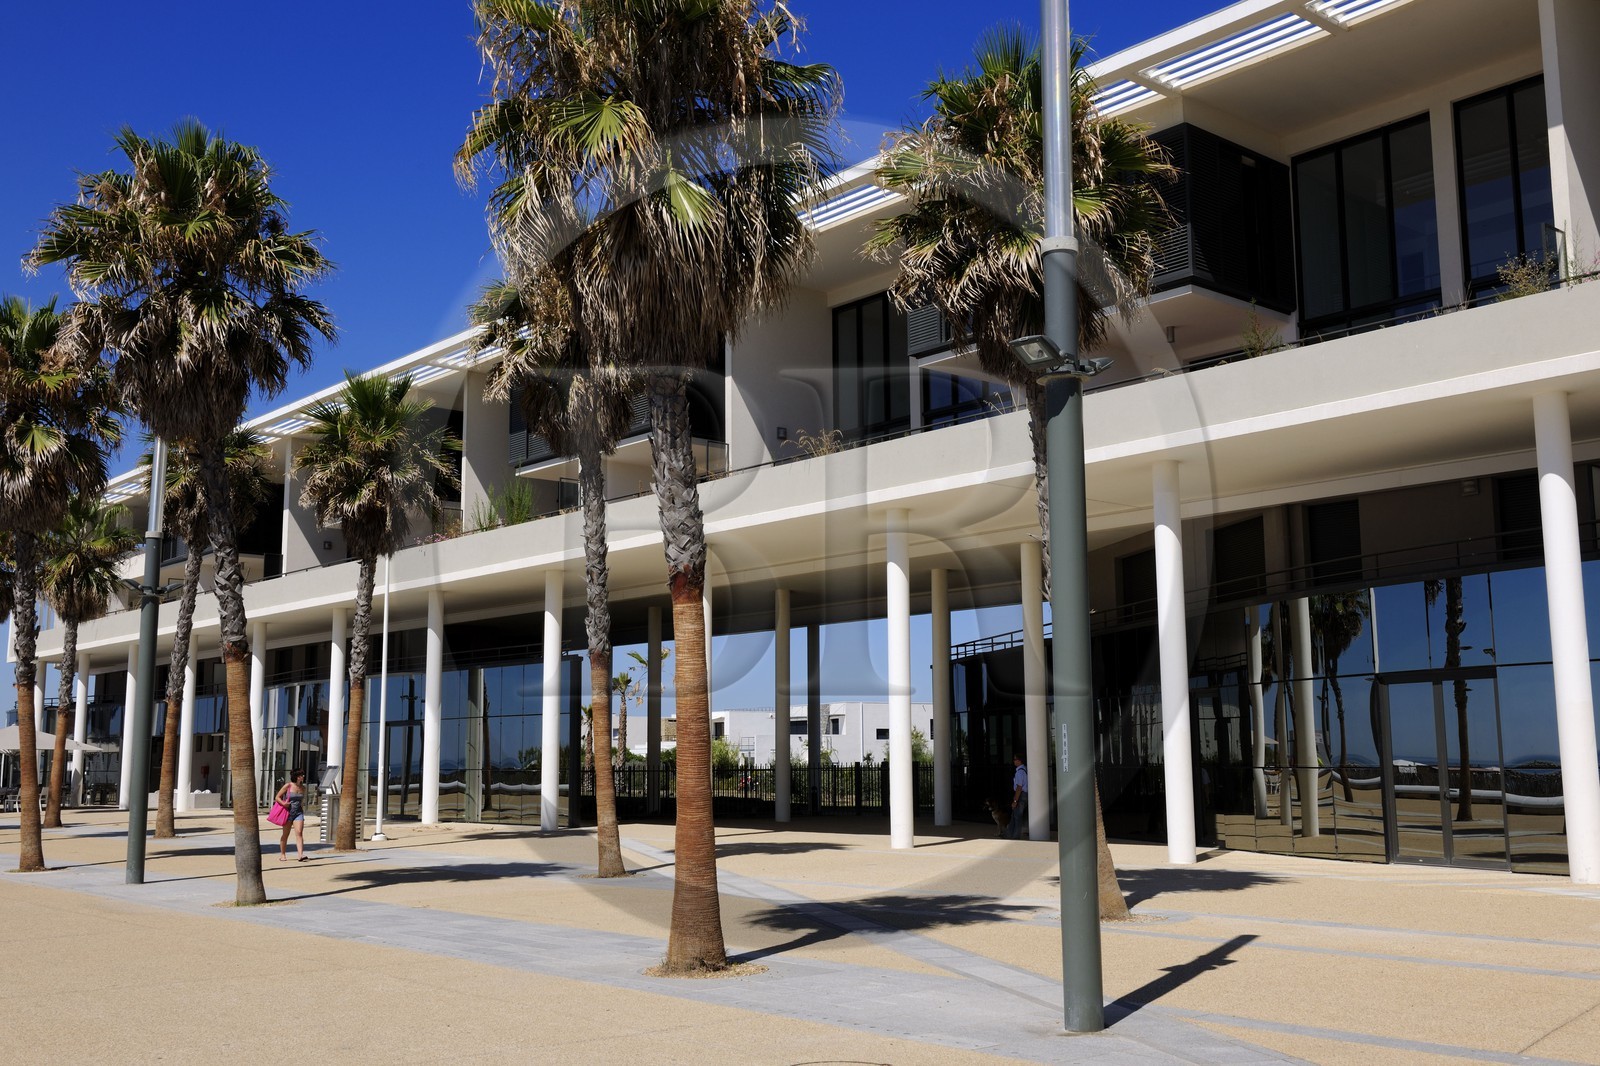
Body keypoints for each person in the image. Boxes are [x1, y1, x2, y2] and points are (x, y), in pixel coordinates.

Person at [274, 768, 309, 862]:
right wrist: (283, 803)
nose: (303, 777)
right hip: (287, 812)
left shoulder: (303, 788)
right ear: (297, 777)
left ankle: (300, 855)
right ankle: (282, 854)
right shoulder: (288, 785)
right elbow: (277, 797)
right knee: (285, 834)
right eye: (302, 775)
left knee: (299, 832)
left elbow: (301, 801)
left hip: (298, 813)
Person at [1005, 753, 1028, 840]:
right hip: (1024, 795)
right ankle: (1009, 834)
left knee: (1017, 817)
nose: (1014, 761)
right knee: (1015, 816)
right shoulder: (1024, 770)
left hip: (1021, 795)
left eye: (1015, 759)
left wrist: (1015, 801)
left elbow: (1019, 787)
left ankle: (1015, 836)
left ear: (1019, 760)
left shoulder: (1019, 772)